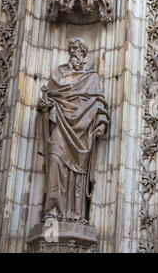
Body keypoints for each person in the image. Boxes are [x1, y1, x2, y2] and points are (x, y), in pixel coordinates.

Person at [37, 38, 109, 224]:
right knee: (54, 161)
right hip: (60, 124)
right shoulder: (58, 75)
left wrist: (101, 123)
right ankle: (52, 210)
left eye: (78, 50)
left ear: (84, 55)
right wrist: (45, 106)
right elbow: (51, 99)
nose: (74, 53)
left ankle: (75, 214)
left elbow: (98, 104)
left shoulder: (91, 78)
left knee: (78, 172)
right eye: (72, 50)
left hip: (83, 131)